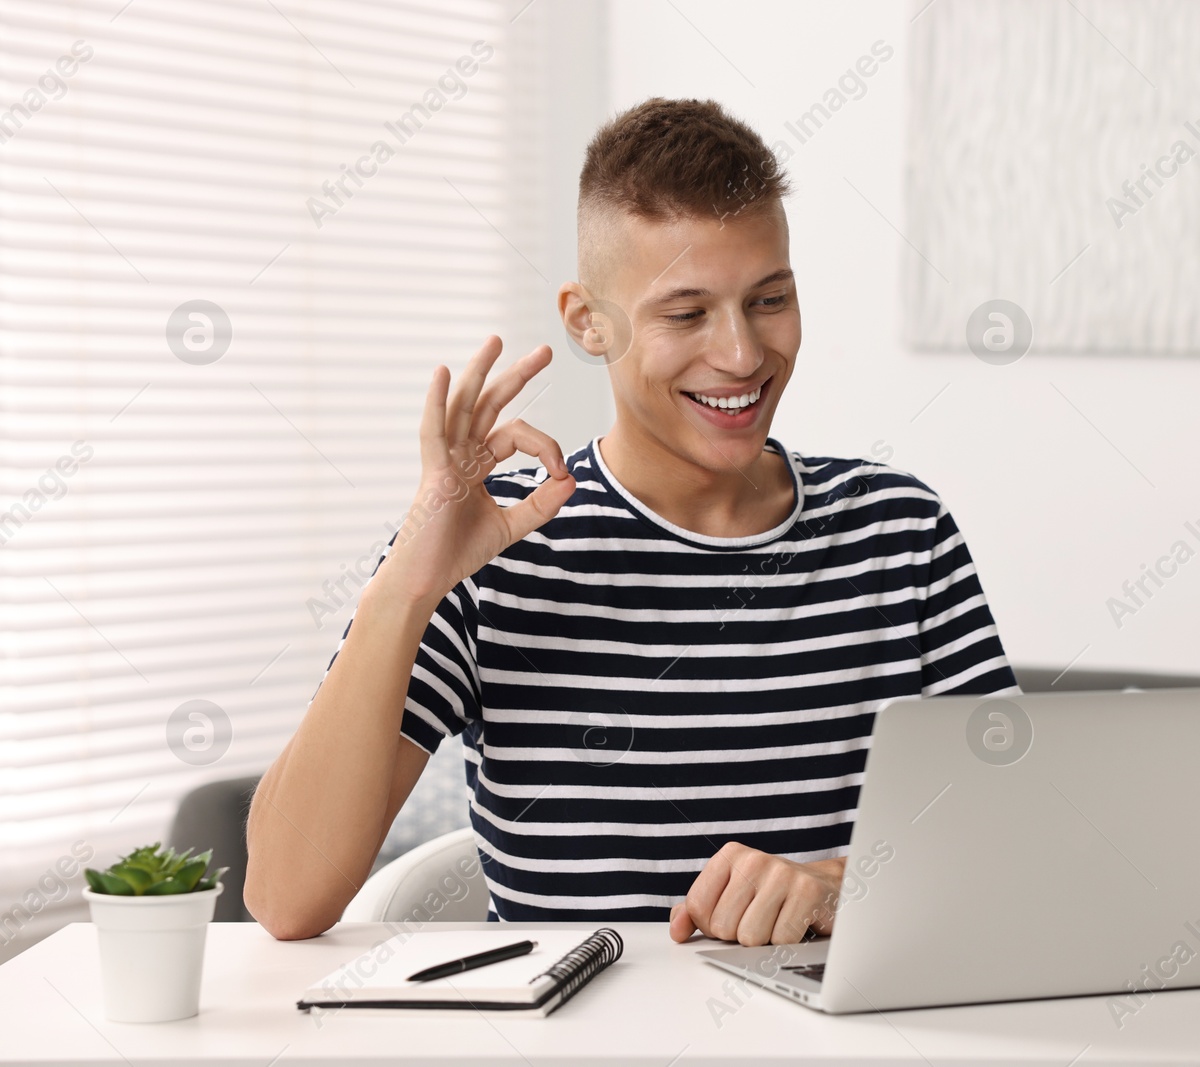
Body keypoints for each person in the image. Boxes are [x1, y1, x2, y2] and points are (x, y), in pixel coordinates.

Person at [243, 97, 1018, 947]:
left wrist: (844, 885)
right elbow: (286, 896)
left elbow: (1018, 848)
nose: (741, 354)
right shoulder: (489, 552)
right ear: (588, 321)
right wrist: (406, 586)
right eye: (686, 314)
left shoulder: (901, 533)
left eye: (769, 299)